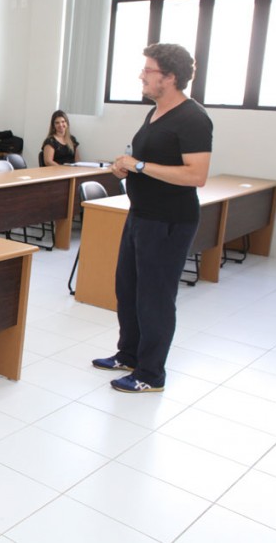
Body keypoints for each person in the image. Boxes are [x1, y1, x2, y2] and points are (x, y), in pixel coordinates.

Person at [93, 43, 212, 393]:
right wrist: (126, 166)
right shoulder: (156, 112)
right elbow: (146, 159)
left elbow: (196, 175)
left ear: (170, 77)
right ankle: (129, 354)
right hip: (141, 215)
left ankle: (150, 374)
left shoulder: (193, 118)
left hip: (169, 221)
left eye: (148, 70)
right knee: (128, 289)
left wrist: (140, 166)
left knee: (155, 298)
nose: (141, 76)